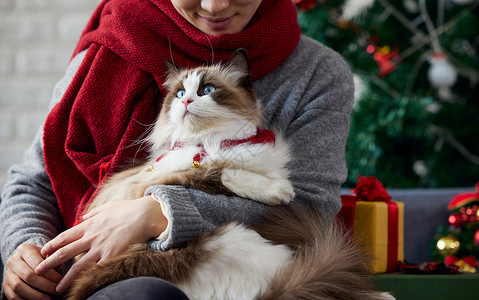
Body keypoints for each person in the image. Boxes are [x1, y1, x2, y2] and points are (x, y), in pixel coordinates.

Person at [0, 0, 354, 299]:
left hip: (226, 275)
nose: (215, 6)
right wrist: (25, 249)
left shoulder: (315, 73)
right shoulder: (107, 51)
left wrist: (158, 213)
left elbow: (309, 208)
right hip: (78, 268)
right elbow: (35, 182)